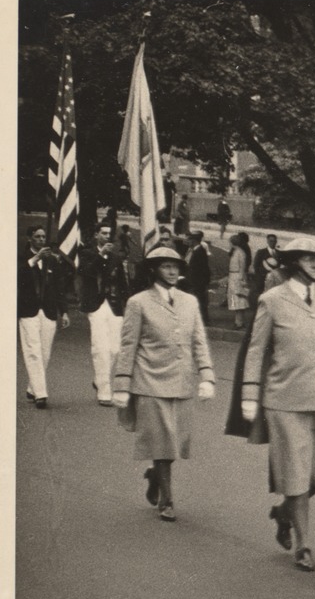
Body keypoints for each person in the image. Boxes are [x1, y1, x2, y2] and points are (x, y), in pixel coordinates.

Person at [239, 238, 315, 572]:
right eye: (309, 258)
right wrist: (249, 392)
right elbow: (256, 350)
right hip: (285, 401)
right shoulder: (272, 300)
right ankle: (303, 544)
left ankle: (283, 512)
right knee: (296, 476)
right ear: (293, 262)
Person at [111, 246, 216, 522]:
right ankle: (167, 500)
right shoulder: (139, 302)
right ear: (153, 269)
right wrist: (122, 383)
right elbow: (128, 345)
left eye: (176, 266)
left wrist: (206, 374)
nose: (172, 271)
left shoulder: (190, 302)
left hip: (182, 379)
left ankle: (156, 474)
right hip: (150, 380)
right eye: (166, 266)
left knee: (176, 441)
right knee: (162, 440)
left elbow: (198, 341)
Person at [17, 226, 71, 409]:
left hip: (48, 311)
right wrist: (34, 259)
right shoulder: (22, 258)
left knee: (45, 353)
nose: (41, 240)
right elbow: (17, 277)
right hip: (28, 311)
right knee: (33, 350)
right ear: (30, 238)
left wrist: (63, 311)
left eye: (43, 237)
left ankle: (32, 388)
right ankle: (41, 394)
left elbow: (59, 288)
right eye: (37, 237)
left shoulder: (52, 261)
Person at [78, 222, 130, 406]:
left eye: (109, 233)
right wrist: (101, 255)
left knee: (115, 348)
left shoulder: (116, 257)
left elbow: (122, 283)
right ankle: (104, 391)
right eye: (103, 233)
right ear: (96, 235)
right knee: (100, 347)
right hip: (96, 304)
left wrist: (128, 303)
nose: (107, 236)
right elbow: (87, 272)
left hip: (115, 305)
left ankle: (99, 379)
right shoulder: (86, 253)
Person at [181, 230, 211, 323]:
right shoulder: (196, 250)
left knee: (200, 301)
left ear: (194, 241)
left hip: (197, 281)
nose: (188, 242)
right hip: (194, 280)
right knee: (198, 301)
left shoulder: (199, 252)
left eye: (189, 240)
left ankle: (204, 321)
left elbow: (201, 269)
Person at [226, 232, 252, 329]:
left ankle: (239, 322)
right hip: (233, 276)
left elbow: (242, 267)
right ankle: (237, 321)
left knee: (239, 300)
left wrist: (241, 280)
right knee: (234, 300)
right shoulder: (234, 251)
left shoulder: (241, 253)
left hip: (237, 277)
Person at [252, 234, 281, 301]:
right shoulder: (261, 252)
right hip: (262, 278)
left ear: (276, 242)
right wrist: (259, 277)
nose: (273, 243)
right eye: (271, 241)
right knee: (261, 294)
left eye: (274, 241)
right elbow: (256, 265)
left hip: (274, 278)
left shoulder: (279, 253)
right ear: (267, 241)